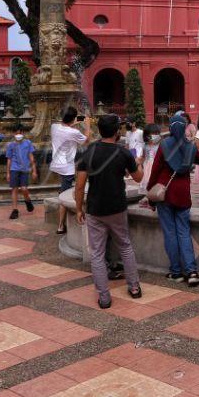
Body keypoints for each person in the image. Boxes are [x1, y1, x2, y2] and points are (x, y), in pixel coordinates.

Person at [76, 114, 144, 307]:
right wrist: (140, 163)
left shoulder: (88, 152)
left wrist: (79, 208)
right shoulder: (123, 153)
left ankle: (104, 297)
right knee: (125, 246)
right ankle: (134, 287)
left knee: (96, 253)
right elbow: (138, 178)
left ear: (100, 131)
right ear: (116, 132)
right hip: (117, 207)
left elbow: (79, 186)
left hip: (95, 209)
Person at [146, 115, 199, 286]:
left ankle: (176, 272)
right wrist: (195, 144)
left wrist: (151, 196)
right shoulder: (190, 146)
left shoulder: (164, 145)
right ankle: (192, 271)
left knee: (170, 233)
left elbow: (155, 172)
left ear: (171, 128)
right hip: (183, 195)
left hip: (165, 194)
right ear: (185, 128)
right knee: (184, 232)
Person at [50, 107, 88, 235]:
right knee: (64, 195)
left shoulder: (54, 127)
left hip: (57, 164)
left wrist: (72, 123)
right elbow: (86, 140)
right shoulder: (73, 133)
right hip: (67, 167)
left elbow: (64, 126)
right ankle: (60, 226)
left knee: (65, 189)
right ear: (72, 118)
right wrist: (87, 126)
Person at [5, 126, 36, 220]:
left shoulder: (28, 143)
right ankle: (15, 210)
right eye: (16, 133)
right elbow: (9, 159)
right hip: (14, 169)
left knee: (24, 189)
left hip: (25, 169)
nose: (18, 135)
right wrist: (8, 173)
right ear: (14, 134)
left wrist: (34, 170)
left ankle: (27, 200)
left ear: (23, 133)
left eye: (20, 133)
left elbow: (31, 157)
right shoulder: (11, 145)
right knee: (14, 189)